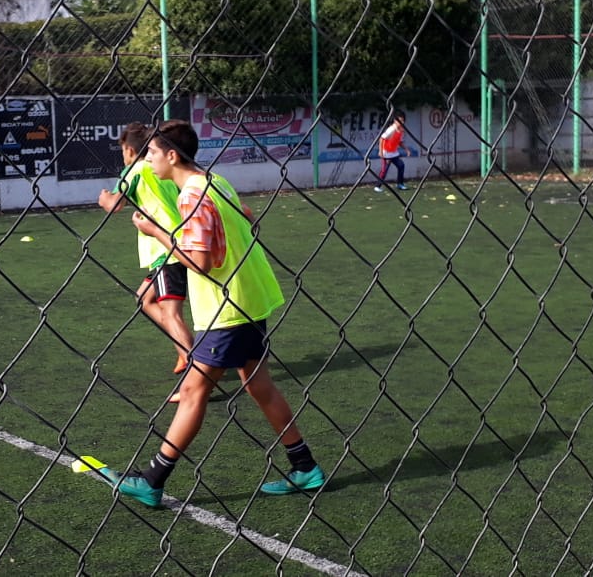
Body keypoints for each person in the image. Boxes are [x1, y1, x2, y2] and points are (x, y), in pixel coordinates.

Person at [101, 119, 325, 507]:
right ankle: (305, 466)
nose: (147, 160)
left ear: (172, 156)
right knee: (258, 385)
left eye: (151, 153)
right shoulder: (215, 181)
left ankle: (152, 480)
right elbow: (247, 214)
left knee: (193, 392)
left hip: (226, 308)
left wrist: (157, 233)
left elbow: (201, 262)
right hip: (250, 297)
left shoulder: (191, 196)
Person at [98, 122, 193, 384]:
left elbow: (115, 205)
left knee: (171, 312)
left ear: (129, 150)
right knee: (144, 298)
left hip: (166, 249)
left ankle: (194, 362)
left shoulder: (136, 169)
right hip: (178, 244)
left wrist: (105, 198)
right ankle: (184, 348)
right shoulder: (162, 170)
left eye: (123, 150)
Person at [373, 110, 410, 193]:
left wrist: (406, 149)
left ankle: (400, 184)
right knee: (384, 170)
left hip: (394, 153)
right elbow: (382, 139)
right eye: (399, 120)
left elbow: (400, 142)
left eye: (402, 120)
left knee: (401, 165)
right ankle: (377, 186)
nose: (401, 122)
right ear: (395, 120)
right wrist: (381, 152)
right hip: (386, 153)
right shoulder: (391, 130)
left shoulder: (401, 130)